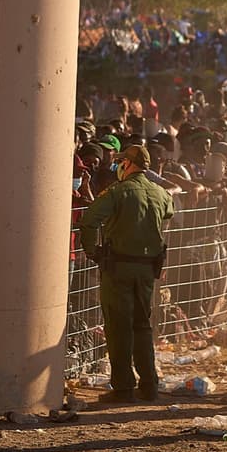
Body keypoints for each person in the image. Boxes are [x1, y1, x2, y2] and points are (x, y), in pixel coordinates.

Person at [77, 144, 174, 404]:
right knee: (142, 326)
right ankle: (150, 385)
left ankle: (123, 389)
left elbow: (88, 221)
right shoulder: (160, 193)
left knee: (118, 327)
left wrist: (91, 250)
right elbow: (169, 212)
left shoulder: (116, 193)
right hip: (147, 270)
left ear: (128, 164)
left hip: (117, 268)